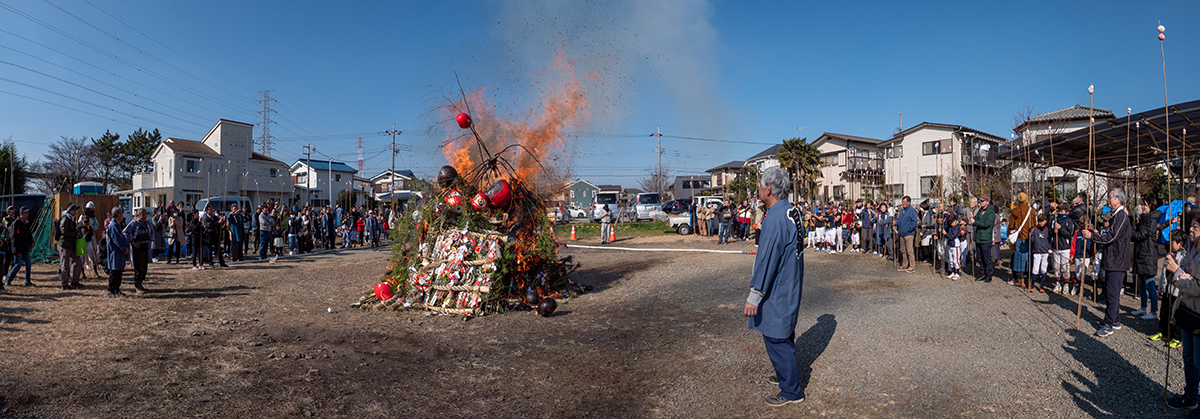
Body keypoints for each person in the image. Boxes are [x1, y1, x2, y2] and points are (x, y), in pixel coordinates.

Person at [742, 167, 805, 407]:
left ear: (768, 189)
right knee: (785, 332)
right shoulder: (792, 212)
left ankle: (791, 390)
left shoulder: (776, 218)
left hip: (777, 285)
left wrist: (754, 296)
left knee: (776, 337)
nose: (759, 189)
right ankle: (784, 375)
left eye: (760, 185)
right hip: (790, 280)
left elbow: (767, 259)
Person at [1081, 188, 1132, 337]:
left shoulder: (1122, 215)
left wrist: (1092, 236)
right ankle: (1114, 320)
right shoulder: (1117, 216)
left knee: (1112, 294)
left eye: (1110, 197)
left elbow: (1111, 236)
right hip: (1113, 259)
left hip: (1117, 260)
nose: (1108, 200)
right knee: (1111, 292)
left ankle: (1109, 324)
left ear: (1118, 199)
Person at [1164, 209, 1200, 411]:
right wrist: (1175, 268)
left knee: (1198, 360)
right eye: (1191, 225)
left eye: (1195, 226)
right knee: (1188, 357)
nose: (1191, 230)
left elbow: (1198, 286)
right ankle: (1191, 396)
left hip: (1199, 314)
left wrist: (1177, 272)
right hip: (1187, 310)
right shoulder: (1191, 248)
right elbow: (1184, 271)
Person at [1152, 229, 1186, 348]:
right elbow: (1163, 274)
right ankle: (1163, 332)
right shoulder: (1169, 254)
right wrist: (1161, 287)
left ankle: (1176, 337)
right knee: (1164, 312)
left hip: (1177, 291)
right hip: (1167, 289)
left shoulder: (1184, 257)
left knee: (1175, 314)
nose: (1170, 244)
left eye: (1172, 242)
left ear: (1180, 244)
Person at [1131, 197, 1163, 321]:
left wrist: (1130, 233)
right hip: (1142, 255)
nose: (1142, 207)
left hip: (1148, 256)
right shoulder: (1144, 219)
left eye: (1144, 205)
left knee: (1150, 285)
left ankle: (1154, 311)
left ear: (1151, 206)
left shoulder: (1151, 220)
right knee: (1142, 285)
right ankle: (1143, 307)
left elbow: (1142, 235)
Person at [123, 207, 153, 293]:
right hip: (137, 249)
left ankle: (141, 283)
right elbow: (125, 232)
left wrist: (150, 240)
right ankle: (137, 285)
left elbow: (152, 232)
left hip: (145, 248)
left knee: (144, 267)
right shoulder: (134, 224)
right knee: (138, 267)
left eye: (145, 214)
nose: (144, 216)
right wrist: (132, 241)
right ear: (138, 215)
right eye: (142, 214)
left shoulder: (148, 223)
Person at [1008, 193, 1034, 287]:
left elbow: (1011, 225)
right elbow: (1034, 224)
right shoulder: (1032, 210)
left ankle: (1020, 281)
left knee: (1019, 259)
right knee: (1028, 258)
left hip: (1019, 237)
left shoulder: (1015, 210)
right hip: (1029, 237)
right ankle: (1029, 280)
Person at [3, 207, 33, 288]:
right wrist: (16, 250)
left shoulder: (26, 223)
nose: (27, 215)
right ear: (21, 214)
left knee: (28, 264)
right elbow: (13, 238)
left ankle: (27, 281)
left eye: (27, 213)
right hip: (18, 250)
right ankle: (8, 280)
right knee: (17, 265)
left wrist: (31, 242)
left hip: (25, 248)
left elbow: (29, 234)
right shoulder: (15, 224)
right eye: (25, 213)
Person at [105, 207, 131, 298]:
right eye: (122, 214)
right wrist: (123, 247)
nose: (122, 216)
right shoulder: (113, 226)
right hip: (114, 252)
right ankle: (111, 290)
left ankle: (116, 289)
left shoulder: (118, 224)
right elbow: (117, 239)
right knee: (114, 271)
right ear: (119, 214)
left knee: (119, 271)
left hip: (119, 252)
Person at [57, 203, 84, 290]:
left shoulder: (72, 219)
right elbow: (64, 231)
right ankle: (64, 284)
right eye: (74, 210)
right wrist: (75, 234)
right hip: (65, 245)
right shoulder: (65, 219)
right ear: (70, 210)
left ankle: (75, 282)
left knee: (79, 262)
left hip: (72, 245)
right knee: (65, 265)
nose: (75, 211)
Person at [972, 196, 996, 283]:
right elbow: (976, 219)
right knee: (980, 258)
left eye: (983, 201)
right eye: (980, 201)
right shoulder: (980, 211)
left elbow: (986, 224)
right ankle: (982, 273)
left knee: (987, 258)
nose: (981, 202)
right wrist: (972, 219)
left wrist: (975, 222)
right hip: (979, 237)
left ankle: (989, 275)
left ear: (987, 202)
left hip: (986, 238)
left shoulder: (991, 212)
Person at [1028, 214, 1051, 292]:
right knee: (1035, 269)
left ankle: (1041, 286)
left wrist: (1050, 249)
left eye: (1042, 221)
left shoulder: (1048, 230)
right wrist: (1029, 235)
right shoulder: (1034, 229)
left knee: (1043, 269)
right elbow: (1031, 241)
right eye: (1039, 221)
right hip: (1037, 252)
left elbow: (1050, 240)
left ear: (1046, 221)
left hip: (1045, 252)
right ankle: (1033, 285)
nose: (1041, 223)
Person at [895, 196, 918, 273]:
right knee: (903, 250)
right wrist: (896, 223)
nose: (903, 203)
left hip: (909, 234)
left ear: (909, 202)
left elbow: (915, 222)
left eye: (905, 202)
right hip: (901, 233)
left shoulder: (912, 211)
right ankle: (905, 264)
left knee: (910, 251)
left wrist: (908, 229)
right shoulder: (902, 211)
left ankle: (912, 265)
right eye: (902, 202)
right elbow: (899, 220)